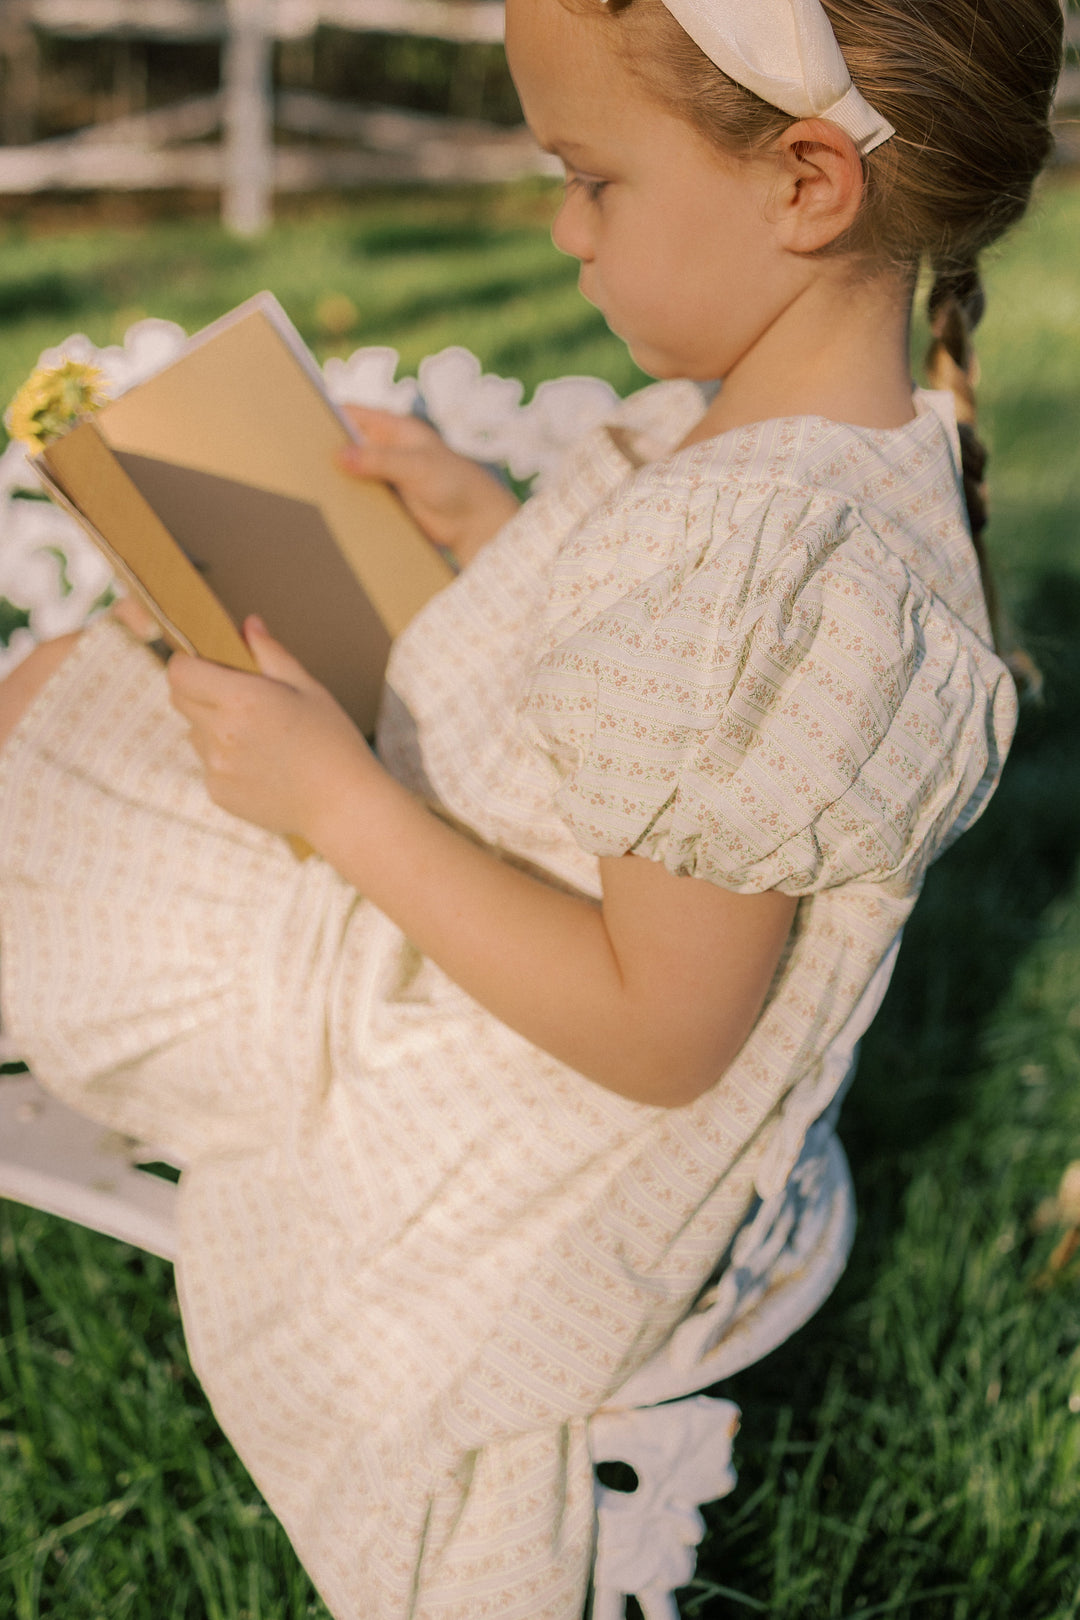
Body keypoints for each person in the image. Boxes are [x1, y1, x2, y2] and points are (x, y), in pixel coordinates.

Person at [0, 0, 1063, 1614]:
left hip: (479, 1105)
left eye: (592, 179)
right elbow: (654, 758)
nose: (561, 232)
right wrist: (492, 535)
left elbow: (662, 1032)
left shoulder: (764, 569)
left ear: (806, 184)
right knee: (83, 687)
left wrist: (331, 797)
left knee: (49, 733)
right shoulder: (812, 464)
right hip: (461, 940)